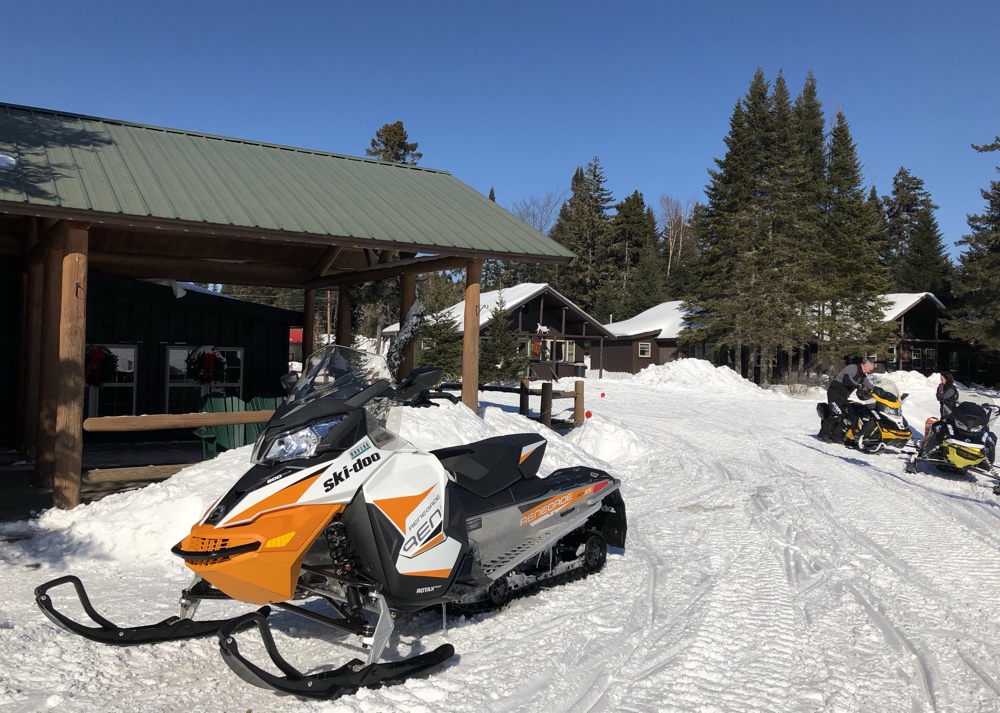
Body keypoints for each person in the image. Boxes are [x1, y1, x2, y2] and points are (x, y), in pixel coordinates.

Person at [819, 359, 876, 444]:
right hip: (835, 391)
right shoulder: (853, 368)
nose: (870, 371)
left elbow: (869, 385)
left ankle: (836, 437)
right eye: (870, 369)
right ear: (865, 365)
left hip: (844, 395)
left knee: (844, 415)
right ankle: (824, 434)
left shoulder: (862, 376)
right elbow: (847, 378)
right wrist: (859, 386)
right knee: (836, 413)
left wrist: (878, 391)